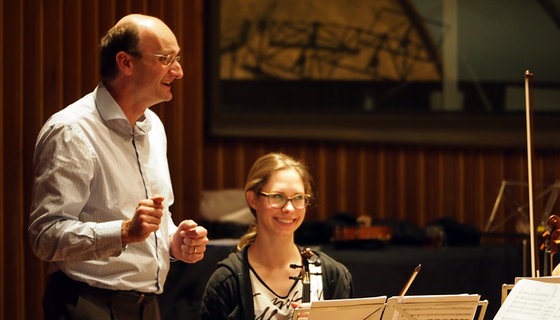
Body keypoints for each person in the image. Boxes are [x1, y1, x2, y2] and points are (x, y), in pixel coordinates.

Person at [28, 14, 209, 320]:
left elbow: (152, 222)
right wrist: (124, 232)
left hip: (147, 305)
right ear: (126, 63)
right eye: (166, 59)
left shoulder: (154, 127)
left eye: (177, 59)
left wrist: (173, 240)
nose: (178, 71)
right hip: (87, 303)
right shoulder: (72, 132)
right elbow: (45, 236)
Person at [200, 152, 353, 320]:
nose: (289, 208)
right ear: (253, 199)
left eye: (298, 198)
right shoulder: (227, 281)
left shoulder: (333, 275)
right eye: (278, 197)